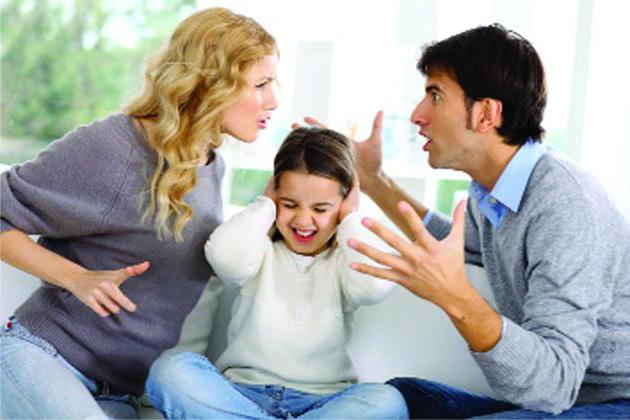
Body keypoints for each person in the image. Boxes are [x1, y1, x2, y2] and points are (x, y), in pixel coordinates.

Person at [337, 24, 630, 418]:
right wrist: (375, 182)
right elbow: (458, 246)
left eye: (435, 95)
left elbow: (554, 386)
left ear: (486, 113)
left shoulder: (565, 206)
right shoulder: (494, 190)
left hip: (611, 401)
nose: (417, 115)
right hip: (566, 400)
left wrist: (453, 296)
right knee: (403, 396)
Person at [0, 7, 278, 419]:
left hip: (119, 395)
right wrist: (75, 277)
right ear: (212, 85)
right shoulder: (115, 148)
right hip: (43, 357)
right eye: (261, 85)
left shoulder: (211, 165)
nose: (273, 101)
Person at [145, 127, 407, 419]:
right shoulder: (258, 251)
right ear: (274, 193)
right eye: (289, 204)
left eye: (321, 209)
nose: (303, 220)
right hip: (241, 395)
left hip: (323, 403)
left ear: (344, 204)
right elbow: (223, 255)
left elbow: (374, 287)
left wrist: (350, 219)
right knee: (170, 370)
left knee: (387, 400)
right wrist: (265, 205)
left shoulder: (344, 262)